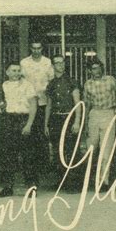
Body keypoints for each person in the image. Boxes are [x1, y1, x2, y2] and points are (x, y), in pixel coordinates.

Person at [0, 62, 38, 197]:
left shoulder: (27, 85)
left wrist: (29, 124)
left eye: (18, 70)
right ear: (7, 72)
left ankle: (31, 187)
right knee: (8, 155)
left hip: (23, 119)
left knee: (28, 156)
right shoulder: (4, 85)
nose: (16, 73)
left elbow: (33, 105)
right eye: (13, 70)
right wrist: (1, 106)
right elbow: (2, 103)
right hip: (9, 119)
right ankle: (8, 187)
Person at [44, 54, 82, 191]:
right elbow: (49, 105)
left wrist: (77, 122)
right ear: (53, 66)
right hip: (55, 120)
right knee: (57, 151)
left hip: (69, 118)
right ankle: (61, 181)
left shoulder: (72, 82)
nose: (60, 65)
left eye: (62, 62)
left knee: (71, 150)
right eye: (57, 63)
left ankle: (73, 183)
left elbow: (77, 104)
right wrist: (46, 124)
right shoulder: (51, 84)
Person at [83, 59, 116, 188]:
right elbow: (87, 104)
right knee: (91, 149)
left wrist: (115, 113)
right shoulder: (87, 84)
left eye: (98, 68)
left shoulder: (110, 80)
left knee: (106, 149)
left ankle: (103, 181)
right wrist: (85, 123)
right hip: (94, 114)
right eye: (93, 68)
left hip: (108, 113)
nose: (97, 71)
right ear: (89, 70)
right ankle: (90, 178)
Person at [20, 41, 54, 176]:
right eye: (33, 48)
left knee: (42, 135)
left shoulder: (47, 62)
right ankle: (29, 168)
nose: (36, 51)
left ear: (42, 48)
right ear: (30, 48)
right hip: (28, 104)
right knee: (28, 136)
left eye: (39, 48)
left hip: (43, 102)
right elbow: (21, 80)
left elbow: (51, 80)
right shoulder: (24, 63)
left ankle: (42, 167)